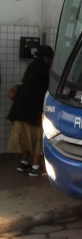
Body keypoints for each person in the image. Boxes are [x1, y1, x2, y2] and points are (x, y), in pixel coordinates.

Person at [7, 45, 54, 176]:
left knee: (26, 140)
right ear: (46, 58)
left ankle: (23, 163)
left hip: (19, 110)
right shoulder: (45, 70)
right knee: (38, 139)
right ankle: (35, 168)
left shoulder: (32, 66)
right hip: (33, 112)